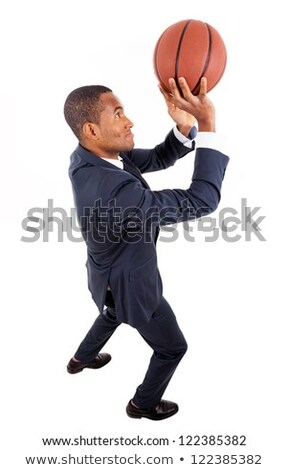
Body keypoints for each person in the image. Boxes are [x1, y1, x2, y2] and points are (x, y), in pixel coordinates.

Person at [64, 77, 229, 420]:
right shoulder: (113, 192)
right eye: (119, 114)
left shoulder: (87, 157)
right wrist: (208, 124)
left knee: (111, 312)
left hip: (106, 277)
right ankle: (143, 404)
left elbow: (155, 157)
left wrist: (185, 128)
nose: (129, 121)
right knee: (172, 348)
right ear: (92, 129)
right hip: (134, 286)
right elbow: (201, 199)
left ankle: (80, 359)